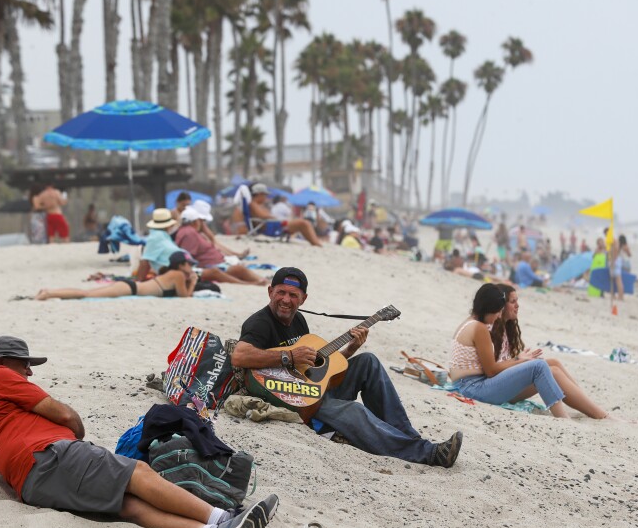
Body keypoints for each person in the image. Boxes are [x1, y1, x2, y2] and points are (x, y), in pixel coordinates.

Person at [0, 336, 277, 528]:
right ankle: (223, 518)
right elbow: (63, 414)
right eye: (24, 363)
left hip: (31, 487)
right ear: (1, 361)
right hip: (51, 456)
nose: (29, 371)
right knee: (137, 473)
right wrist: (76, 436)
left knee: (127, 505)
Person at [230, 267, 462, 468]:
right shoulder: (259, 322)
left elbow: (313, 370)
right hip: (291, 399)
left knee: (368, 361)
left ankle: (408, 436)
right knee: (354, 410)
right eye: (280, 292)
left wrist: (350, 350)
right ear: (270, 291)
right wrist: (289, 355)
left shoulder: (299, 320)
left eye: (293, 295)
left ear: (304, 299)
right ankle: (428, 454)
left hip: (311, 390)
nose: (286, 300)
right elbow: (240, 356)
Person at [449, 284, 614, 420]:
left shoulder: (471, 323)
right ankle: (565, 419)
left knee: (550, 365)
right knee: (539, 366)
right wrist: (519, 360)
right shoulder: (479, 328)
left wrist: (519, 360)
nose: (499, 316)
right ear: (489, 308)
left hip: (471, 385)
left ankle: (590, 409)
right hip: (472, 388)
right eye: (498, 311)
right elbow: (491, 370)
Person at [36, 251, 199, 300]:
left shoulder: (171, 272)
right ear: (181, 265)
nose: (191, 267)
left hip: (130, 287)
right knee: (86, 294)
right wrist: (192, 282)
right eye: (189, 264)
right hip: (130, 289)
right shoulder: (177, 274)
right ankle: (49, 293)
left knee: (87, 293)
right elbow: (185, 296)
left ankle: (48, 291)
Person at [174, 208, 267, 286]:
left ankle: (262, 281)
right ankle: (252, 283)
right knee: (238, 269)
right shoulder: (189, 233)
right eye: (200, 221)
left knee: (239, 269)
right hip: (209, 266)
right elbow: (188, 256)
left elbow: (212, 241)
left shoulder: (189, 231)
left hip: (215, 264)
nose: (202, 223)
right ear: (195, 222)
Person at [241, 183, 323, 246]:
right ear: (259, 194)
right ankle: (315, 242)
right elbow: (263, 216)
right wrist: (275, 217)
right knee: (304, 223)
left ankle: (315, 241)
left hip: (274, 226)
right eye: (265, 195)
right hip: (273, 227)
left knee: (303, 223)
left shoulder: (256, 205)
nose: (266, 197)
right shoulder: (253, 204)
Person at [137, 208, 183, 280]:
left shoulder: (157, 237)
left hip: (175, 274)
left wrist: (137, 283)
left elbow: (145, 263)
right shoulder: (159, 237)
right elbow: (146, 261)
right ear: (168, 225)